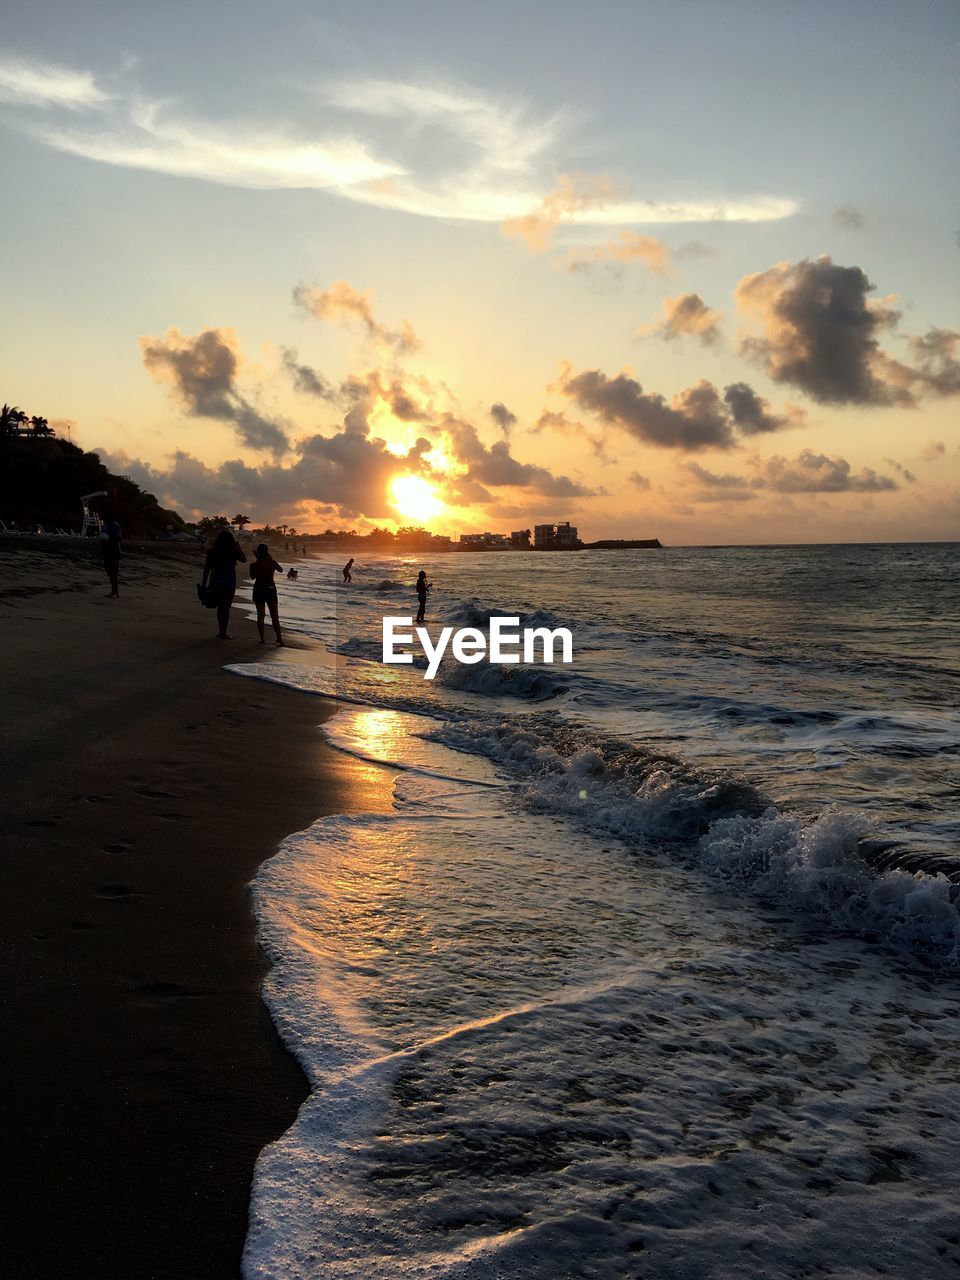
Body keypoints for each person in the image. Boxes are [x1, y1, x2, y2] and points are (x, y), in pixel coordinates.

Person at [201, 529, 246, 638]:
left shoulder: (213, 552)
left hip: (216, 582)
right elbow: (243, 559)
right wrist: (238, 547)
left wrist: (203, 584)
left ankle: (221, 632)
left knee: (220, 607)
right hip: (229, 582)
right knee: (226, 608)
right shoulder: (233, 551)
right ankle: (223, 632)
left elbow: (207, 569)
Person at [249, 543, 284, 646]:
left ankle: (262, 638)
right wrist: (269, 560)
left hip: (258, 589)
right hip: (270, 589)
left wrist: (258, 561)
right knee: (274, 616)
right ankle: (279, 639)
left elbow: (252, 577)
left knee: (260, 615)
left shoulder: (254, 565)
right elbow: (280, 570)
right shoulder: (272, 562)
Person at [99, 510, 122, 598]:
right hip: (106, 550)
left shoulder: (115, 525)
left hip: (113, 551)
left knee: (113, 572)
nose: (102, 515)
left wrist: (107, 540)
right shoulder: (106, 524)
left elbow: (118, 539)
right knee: (109, 571)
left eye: (104, 514)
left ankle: (115, 592)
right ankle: (114, 591)